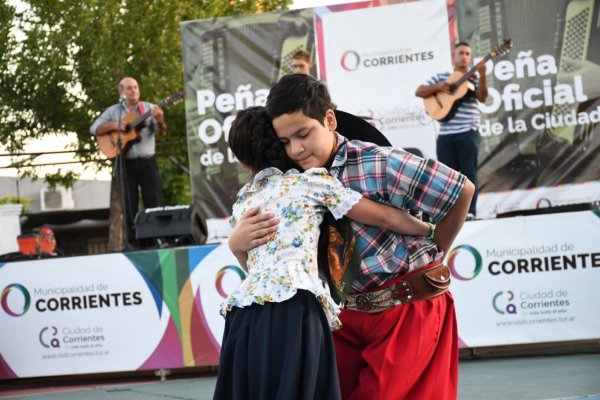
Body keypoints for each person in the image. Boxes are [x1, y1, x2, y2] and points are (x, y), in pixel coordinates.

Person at [229, 74, 474, 400]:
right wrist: (236, 243)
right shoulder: (289, 179)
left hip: (405, 309)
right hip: (343, 317)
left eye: (303, 134)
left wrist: (438, 249)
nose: (296, 149)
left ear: (329, 119)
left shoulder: (380, 162)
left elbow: (461, 190)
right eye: (286, 141)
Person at [90, 77, 166, 248]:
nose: (134, 90)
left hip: (147, 163)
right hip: (126, 163)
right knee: (128, 204)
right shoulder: (113, 111)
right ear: (121, 92)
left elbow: (161, 131)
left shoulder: (148, 108)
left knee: (153, 201)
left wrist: (160, 120)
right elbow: (95, 128)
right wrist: (114, 126)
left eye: (136, 87)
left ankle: (157, 239)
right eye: (130, 88)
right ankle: (134, 242)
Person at [415, 41, 487, 220]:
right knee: (447, 176)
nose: (464, 56)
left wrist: (483, 74)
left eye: (467, 54)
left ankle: (470, 212)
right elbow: (420, 91)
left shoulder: (474, 79)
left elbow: (483, 98)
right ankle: (450, 215)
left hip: (468, 131)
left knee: (468, 173)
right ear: (453, 56)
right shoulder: (442, 77)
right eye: (461, 53)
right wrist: (439, 87)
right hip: (446, 134)